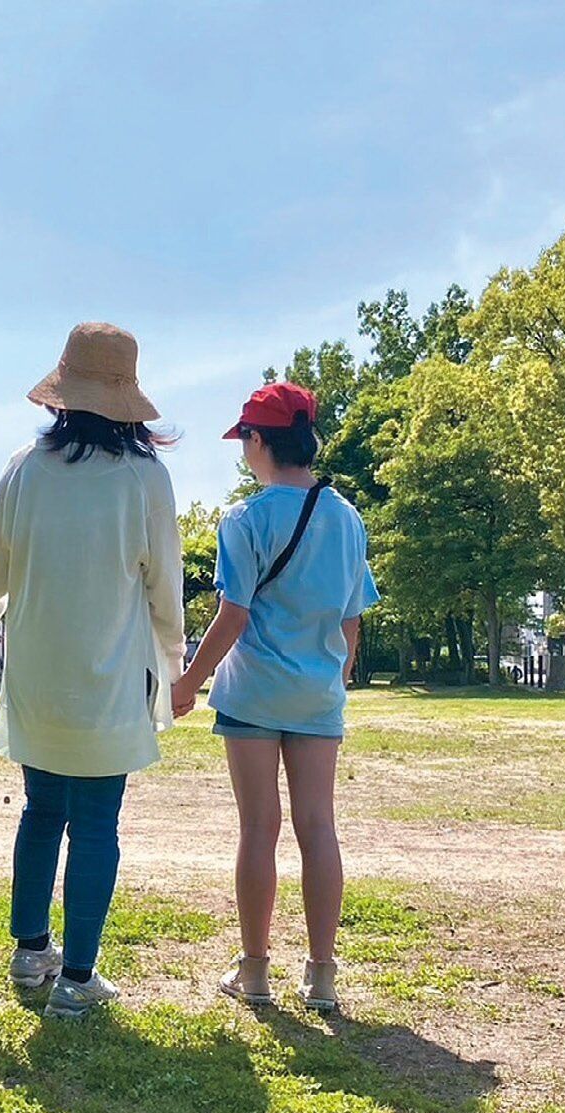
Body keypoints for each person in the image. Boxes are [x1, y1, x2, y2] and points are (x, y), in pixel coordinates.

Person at [0, 323, 185, 1018]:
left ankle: (31, 953)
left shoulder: (23, 467)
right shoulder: (144, 476)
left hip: (36, 676)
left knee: (42, 810)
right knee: (97, 825)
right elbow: (164, 585)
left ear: (63, 394)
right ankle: (78, 979)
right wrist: (175, 663)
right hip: (110, 677)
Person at [170, 383, 378, 1013]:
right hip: (317, 694)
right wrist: (334, 680)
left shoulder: (243, 519)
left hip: (254, 693)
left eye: (245, 440)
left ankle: (255, 970)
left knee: (259, 829)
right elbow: (351, 620)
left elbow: (231, 616)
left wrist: (188, 680)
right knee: (319, 828)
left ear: (259, 440)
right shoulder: (347, 518)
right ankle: (321, 975)